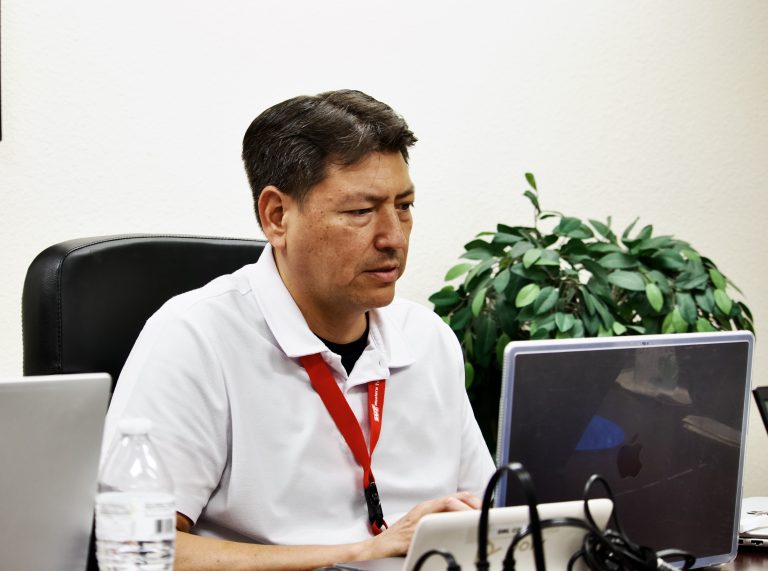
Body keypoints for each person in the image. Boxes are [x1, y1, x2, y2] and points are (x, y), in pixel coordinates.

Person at [102, 89, 495, 570]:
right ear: (277, 216)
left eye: (405, 206)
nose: (393, 236)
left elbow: (490, 517)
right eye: (361, 212)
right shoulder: (196, 337)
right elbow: (139, 549)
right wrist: (360, 553)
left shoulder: (427, 337)